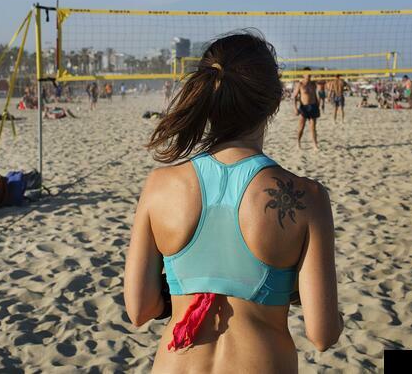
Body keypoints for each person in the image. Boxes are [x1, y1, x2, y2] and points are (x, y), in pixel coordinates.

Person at [124, 33, 342, 372]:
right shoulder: (307, 198)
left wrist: (191, 287)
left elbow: (139, 309)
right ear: (273, 102)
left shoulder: (159, 185)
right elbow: (322, 334)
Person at [293, 67, 321, 150]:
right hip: (304, 107)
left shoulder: (313, 84)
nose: (309, 75)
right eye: (307, 73)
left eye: (310, 73)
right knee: (301, 127)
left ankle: (315, 144)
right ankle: (298, 142)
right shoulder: (300, 84)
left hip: (313, 106)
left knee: (313, 127)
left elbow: (315, 95)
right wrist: (295, 108)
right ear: (303, 74)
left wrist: (318, 105)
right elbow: (294, 97)